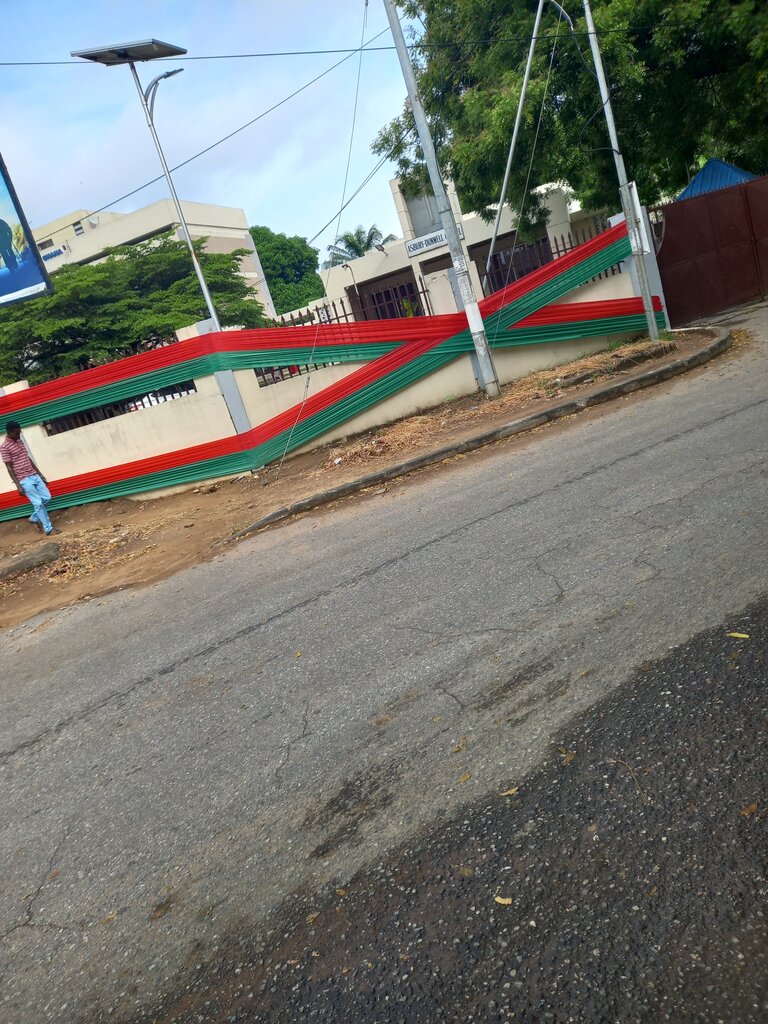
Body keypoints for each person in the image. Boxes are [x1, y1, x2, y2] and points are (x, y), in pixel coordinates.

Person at [0, 421, 58, 535]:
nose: (19, 435)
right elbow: (9, 467)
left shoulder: (19, 441)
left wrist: (40, 474)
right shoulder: (4, 447)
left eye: (20, 432)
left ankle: (33, 518)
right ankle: (49, 529)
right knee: (38, 503)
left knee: (47, 497)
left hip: (34, 475)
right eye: (17, 433)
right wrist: (18, 485)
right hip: (23, 479)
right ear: (9, 432)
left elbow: (27, 458)